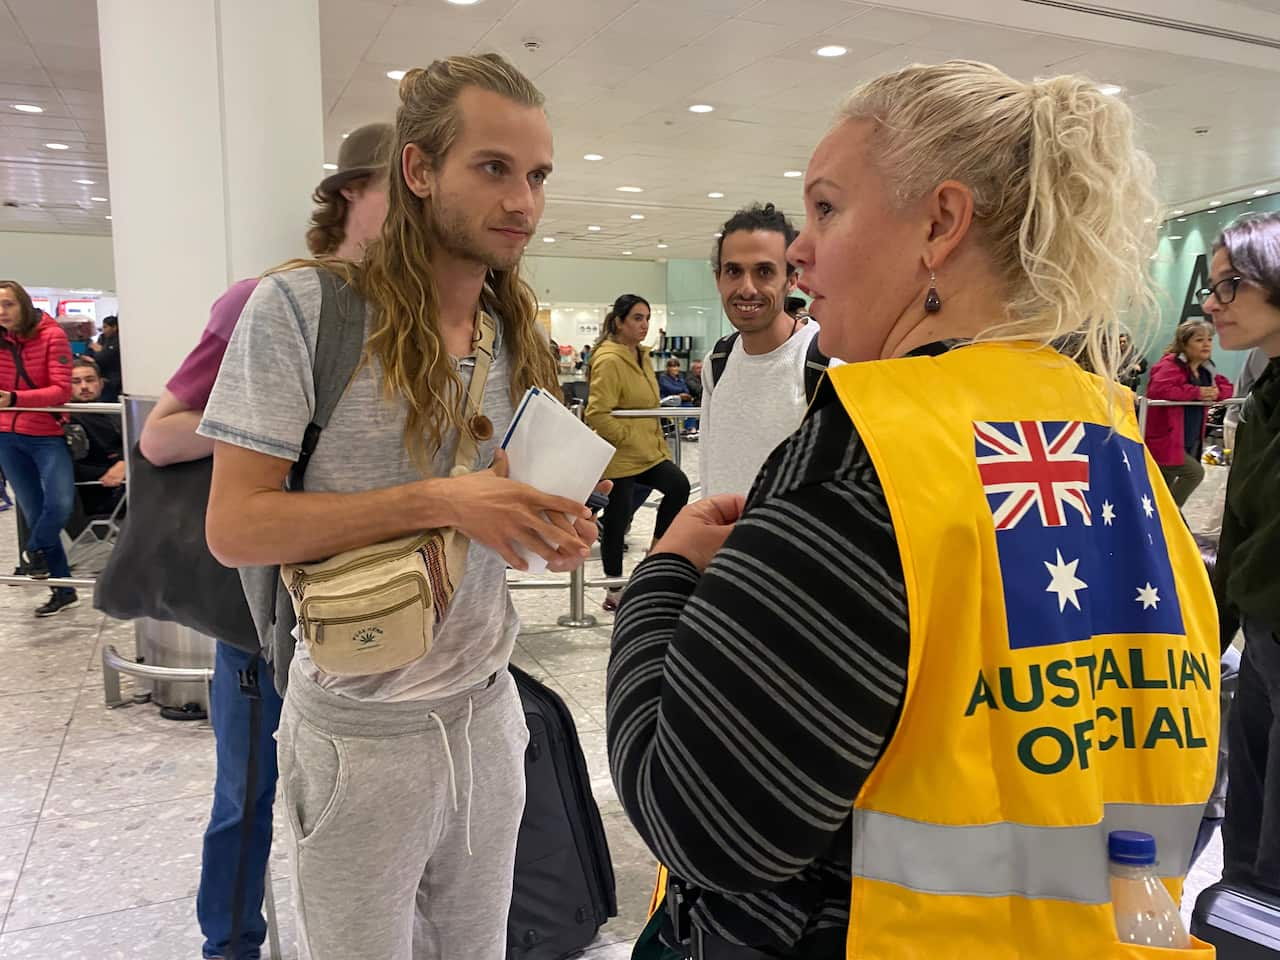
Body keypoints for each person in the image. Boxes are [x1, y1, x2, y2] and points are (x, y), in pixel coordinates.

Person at [607, 61, 1219, 958]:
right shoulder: (1106, 434)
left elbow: (706, 821)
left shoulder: (869, 460)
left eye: (825, 209)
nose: (800, 251)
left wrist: (665, 577)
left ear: (940, 223)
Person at [201, 56, 602, 960]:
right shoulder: (301, 311)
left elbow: (502, 507)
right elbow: (236, 527)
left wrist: (545, 521)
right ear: (419, 171)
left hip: (488, 715)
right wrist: (441, 501)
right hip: (357, 734)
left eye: (536, 175)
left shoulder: (512, 331)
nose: (523, 202)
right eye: (493, 168)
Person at [139, 121, 394, 960]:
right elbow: (163, 435)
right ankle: (231, 946)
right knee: (248, 797)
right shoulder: (269, 302)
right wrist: (264, 427)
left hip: (370, 611)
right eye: (405, 184)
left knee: (357, 806)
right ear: (352, 191)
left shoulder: (416, 319)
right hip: (264, 608)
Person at [1202, 210, 1280, 897]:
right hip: (1261, 641)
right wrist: (1210, 637)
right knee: (1248, 834)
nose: (1210, 303)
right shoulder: (1261, 403)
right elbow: (1239, 532)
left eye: (1229, 287)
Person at [699, 202, 822, 499]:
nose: (747, 288)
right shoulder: (718, 362)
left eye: (764, 271)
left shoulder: (824, 360)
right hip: (725, 544)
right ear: (718, 279)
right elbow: (708, 467)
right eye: (733, 271)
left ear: (792, 280)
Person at [585, 293, 690, 612]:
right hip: (621, 457)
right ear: (619, 321)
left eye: (647, 318)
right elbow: (597, 413)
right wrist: (629, 435)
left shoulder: (643, 356)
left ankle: (653, 559)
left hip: (649, 452)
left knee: (679, 486)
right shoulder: (609, 359)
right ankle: (614, 587)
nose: (644, 325)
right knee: (617, 522)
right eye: (637, 318)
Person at [0, 279, 78, 616]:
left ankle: (34, 551)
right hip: (6, 436)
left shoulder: (51, 334)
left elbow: (61, 390)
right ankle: (62, 589)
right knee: (33, 512)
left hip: (46, 434)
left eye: (7, 304)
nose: (1, 312)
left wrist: (15, 399)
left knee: (59, 504)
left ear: (24, 304)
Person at [1144, 319, 1233, 507]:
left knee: (1160, 487)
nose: (1207, 344)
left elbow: (1226, 386)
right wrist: (1196, 392)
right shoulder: (1169, 365)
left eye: (1209, 339)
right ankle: (1171, 515)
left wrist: (1216, 392)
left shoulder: (1206, 369)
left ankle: (1159, 520)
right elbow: (1159, 389)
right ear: (1184, 344)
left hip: (1188, 439)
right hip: (1165, 438)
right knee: (1195, 473)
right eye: (1199, 340)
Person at [68, 355, 126, 519]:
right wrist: (114, 471)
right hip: (99, 492)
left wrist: (125, 464)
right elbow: (70, 467)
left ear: (100, 383)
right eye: (76, 382)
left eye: (89, 380)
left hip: (127, 481)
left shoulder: (113, 412)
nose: (84, 386)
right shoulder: (66, 418)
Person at [657, 357, 696, 437]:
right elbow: (670, 388)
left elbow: (686, 390)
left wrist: (682, 394)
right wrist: (680, 393)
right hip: (667, 401)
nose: (676, 368)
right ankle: (688, 428)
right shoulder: (663, 377)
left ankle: (689, 428)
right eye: (673, 366)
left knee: (690, 406)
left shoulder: (680, 378)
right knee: (686, 405)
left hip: (680, 401)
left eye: (677, 366)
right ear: (668, 368)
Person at [91, 314, 122, 401]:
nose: (103, 330)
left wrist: (99, 351)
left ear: (114, 327)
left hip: (113, 379)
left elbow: (106, 357)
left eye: (106, 327)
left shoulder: (119, 340)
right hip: (102, 375)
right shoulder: (102, 338)